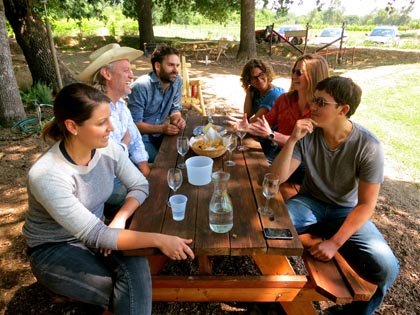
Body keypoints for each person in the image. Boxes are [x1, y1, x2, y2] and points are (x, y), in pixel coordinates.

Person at [23, 83, 194, 315]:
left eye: (109, 119)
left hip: (101, 230)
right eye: (101, 122)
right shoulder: (48, 174)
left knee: (136, 264)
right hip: (55, 247)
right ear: (72, 126)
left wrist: (120, 219)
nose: (111, 128)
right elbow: (96, 235)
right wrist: (160, 239)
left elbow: (140, 184)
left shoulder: (107, 148)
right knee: (122, 289)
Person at [271, 76, 399, 315]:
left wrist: (334, 243)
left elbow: (366, 205)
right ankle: (275, 295)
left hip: (345, 211)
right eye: (313, 100)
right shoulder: (308, 133)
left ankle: (356, 312)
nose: (312, 107)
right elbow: (276, 180)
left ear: (343, 109)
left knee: (387, 268)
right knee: (270, 228)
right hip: (309, 202)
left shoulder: (368, 146)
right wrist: (291, 142)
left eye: (321, 102)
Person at [77, 43, 150, 215]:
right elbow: (107, 158)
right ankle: (121, 225)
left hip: (120, 170)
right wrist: (124, 145)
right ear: (107, 74)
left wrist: (145, 167)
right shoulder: (95, 108)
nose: (132, 75)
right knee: (143, 193)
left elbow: (136, 140)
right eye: (126, 70)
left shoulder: (121, 106)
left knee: (158, 176)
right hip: (102, 178)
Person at [232, 54, 329, 183]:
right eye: (293, 71)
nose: (293, 76)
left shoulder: (321, 110)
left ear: (314, 76)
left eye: (299, 72)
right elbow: (264, 123)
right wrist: (247, 127)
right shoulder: (284, 99)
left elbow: (305, 147)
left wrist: (272, 135)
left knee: (254, 175)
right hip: (279, 153)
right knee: (240, 165)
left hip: (304, 164)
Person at [127, 45, 186, 162]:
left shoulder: (177, 81)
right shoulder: (140, 87)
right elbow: (134, 125)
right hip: (139, 140)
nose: (176, 70)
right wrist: (162, 129)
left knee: (184, 152)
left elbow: (175, 109)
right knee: (165, 162)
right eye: (171, 65)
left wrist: (177, 120)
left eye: (177, 65)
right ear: (157, 66)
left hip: (160, 135)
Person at [240, 58, 285, 123]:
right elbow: (247, 115)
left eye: (261, 74)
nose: (259, 80)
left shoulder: (274, 93)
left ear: (267, 74)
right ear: (249, 81)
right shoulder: (256, 92)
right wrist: (249, 91)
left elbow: (256, 120)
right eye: (254, 78)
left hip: (276, 132)